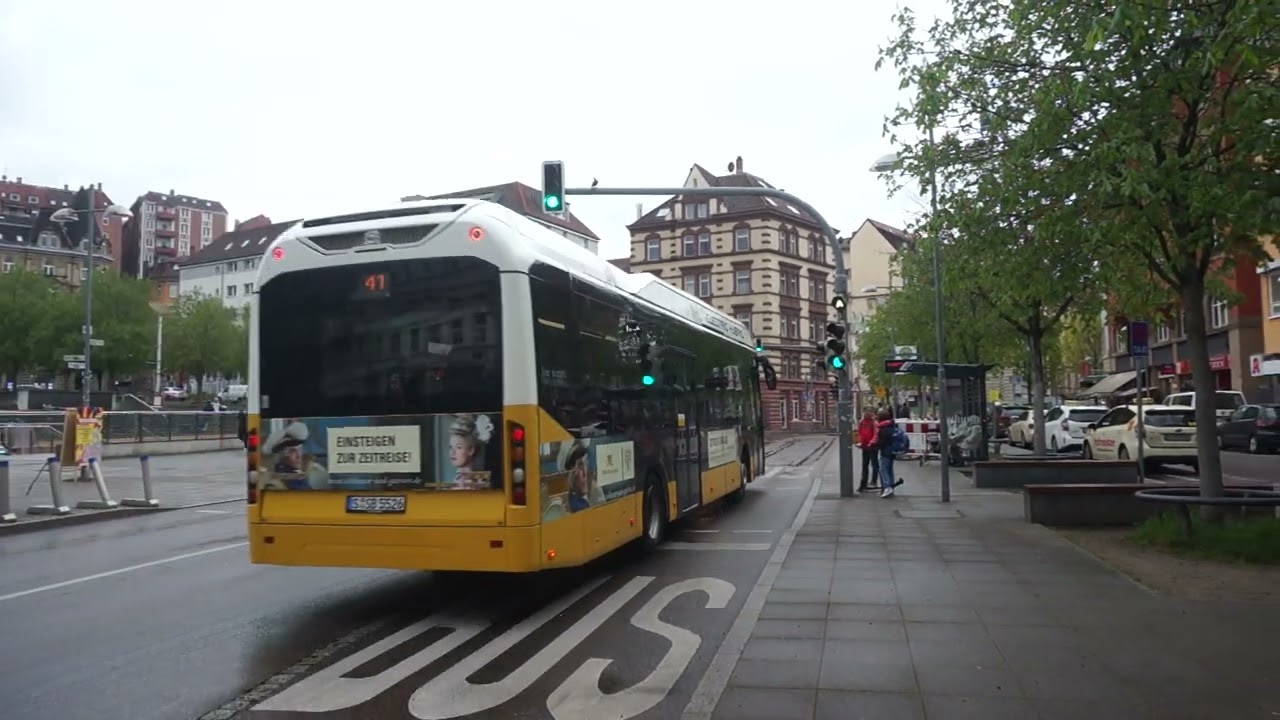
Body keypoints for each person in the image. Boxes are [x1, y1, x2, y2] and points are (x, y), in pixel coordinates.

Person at [874, 408, 904, 498]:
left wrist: (874, 445)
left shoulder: (883, 428)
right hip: (892, 451)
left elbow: (882, 441)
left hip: (885, 452)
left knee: (883, 469)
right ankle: (890, 486)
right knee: (889, 470)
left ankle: (887, 487)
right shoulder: (891, 425)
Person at [856, 409, 880, 492]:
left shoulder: (874, 423)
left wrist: (872, 442)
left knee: (874, 464)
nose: (867, 414)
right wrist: (859, 441)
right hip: (865, 446)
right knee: (865, 465)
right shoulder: (861, 422)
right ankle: (863, 483)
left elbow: (876, 434)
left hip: (873, 447)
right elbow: (859, 432)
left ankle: (874, 481)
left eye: (869, 412)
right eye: (866, 412)